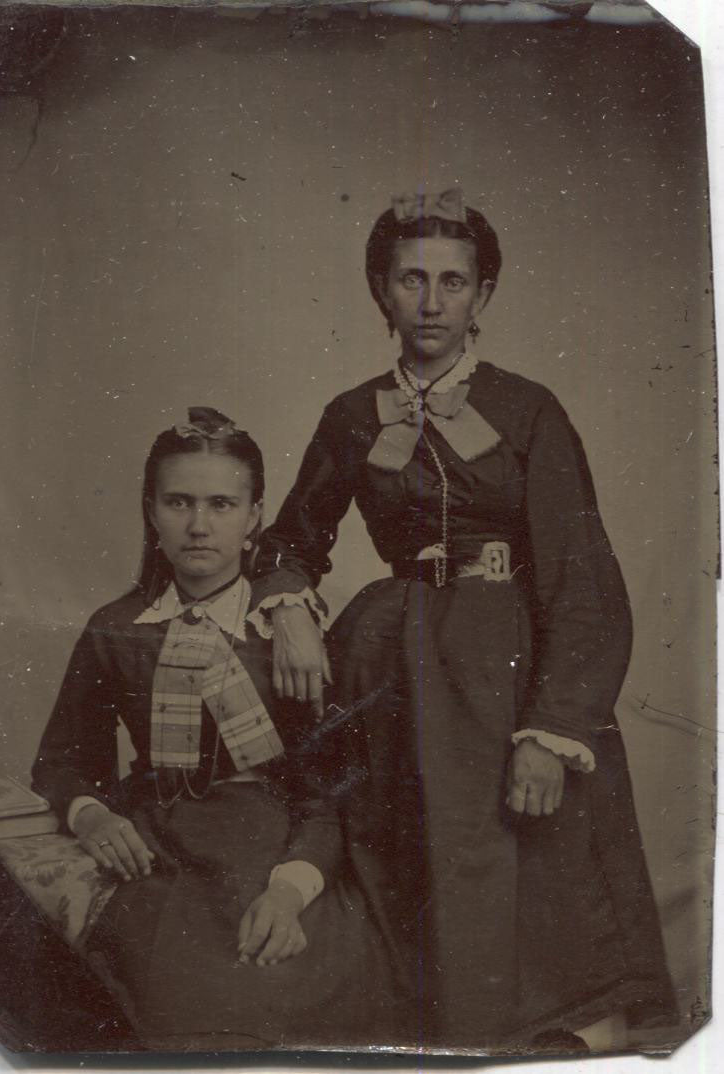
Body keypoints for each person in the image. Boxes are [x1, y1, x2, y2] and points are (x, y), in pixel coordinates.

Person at [251, 189, 678, 1052]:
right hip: (396, 667)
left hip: (507, 666)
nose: (431, 302)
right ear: (380, 289)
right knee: (420, 877)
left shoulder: (528, 410)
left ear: (482, 294)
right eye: (411, 279)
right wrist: (289, 606)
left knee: (538, 878)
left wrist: (551, 728)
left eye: (453, 281)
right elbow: (291, 538)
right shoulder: (350, 415)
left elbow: (581, 576)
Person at [31, 408, 395, 1052]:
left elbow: (333, 793)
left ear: (255, 516)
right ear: (151, 511)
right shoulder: (117, 627)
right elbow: (62, 761)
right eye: (179, 502)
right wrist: (92, 815)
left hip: (284, 846)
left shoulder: (291, 635)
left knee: (297, 990)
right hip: (163, 844)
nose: (199, 525)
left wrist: (289, 893)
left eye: (222, 504)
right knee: (161, 996)